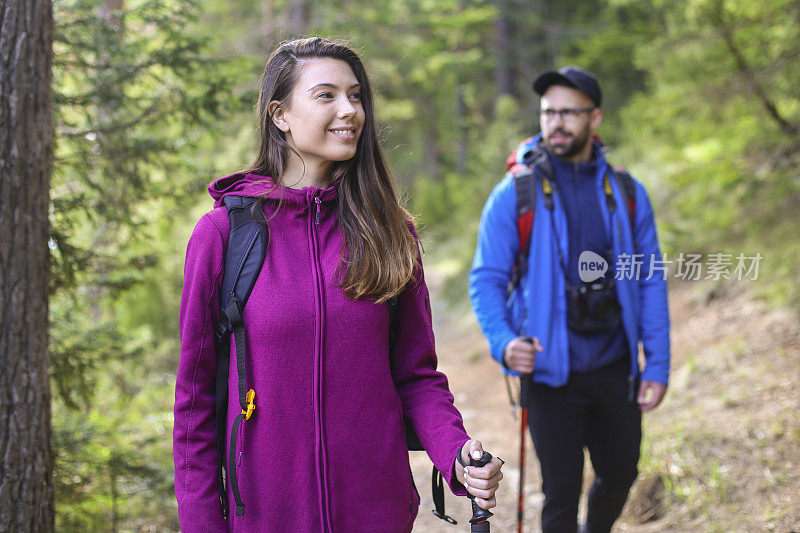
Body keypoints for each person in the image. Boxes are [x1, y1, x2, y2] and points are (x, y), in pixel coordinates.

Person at [173, 37, 503, 532]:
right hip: (267, 518)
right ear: (280, 114)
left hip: (378, 514)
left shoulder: (388, 230)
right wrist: (203, 524)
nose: (349, 110)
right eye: (326, 95)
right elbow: (195, 403)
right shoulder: (223, 236)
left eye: (356, 95)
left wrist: (456, 456)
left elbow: (415, 376)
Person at [469, 66, 670, 533]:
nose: (555, 122)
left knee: (620, 475)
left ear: (594, 118)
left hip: (615, 364)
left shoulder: (626, 192)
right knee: (560, 492)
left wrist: (656, 365)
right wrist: (502, 342)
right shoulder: (515, 194)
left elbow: (650, 280)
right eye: (548, 112)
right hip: (548, 372)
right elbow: (486, 280)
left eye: (568, 113)